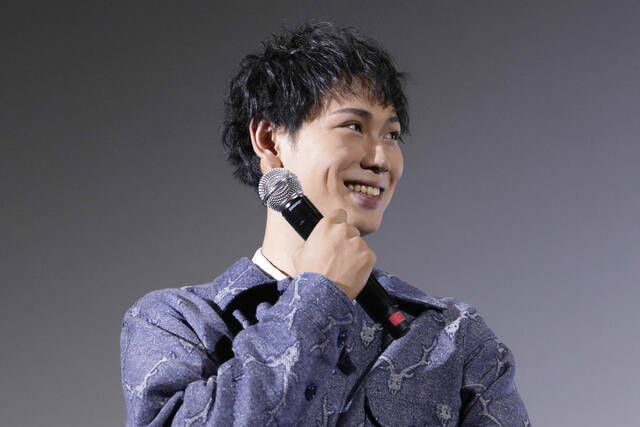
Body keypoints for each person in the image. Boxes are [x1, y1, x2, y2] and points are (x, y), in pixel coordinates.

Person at [120, 21, 532, 426]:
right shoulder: (178, 323)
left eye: (391, 135)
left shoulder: (454, 338)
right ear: (269, 140)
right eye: (354, 126)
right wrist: (320, 294)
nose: (380, 159)